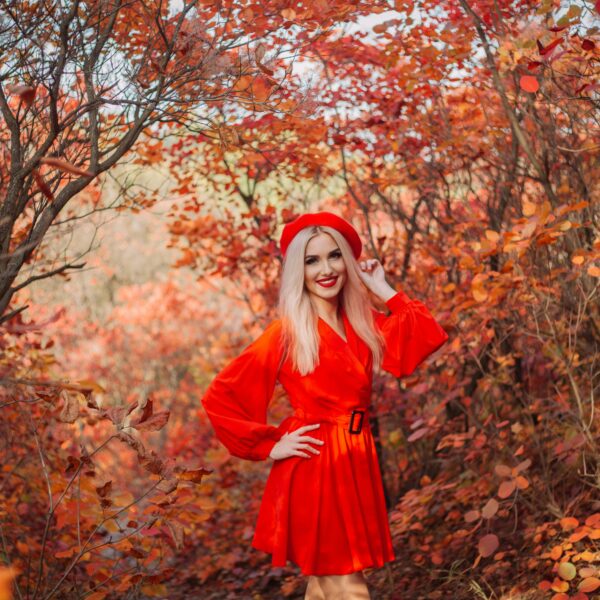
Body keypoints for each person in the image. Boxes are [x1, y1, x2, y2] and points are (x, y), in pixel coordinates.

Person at [201, 211, 449, 599]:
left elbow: (422, 335)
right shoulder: (286, 332)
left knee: (325, 586)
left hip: (356, 457)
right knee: (348, 588)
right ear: (298, 271)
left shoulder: (360, 322)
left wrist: (382, 288)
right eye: (311, 261)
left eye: (334, 256)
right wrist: (269, 445)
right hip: (316, 465)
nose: (326, 269)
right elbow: (221, 394)